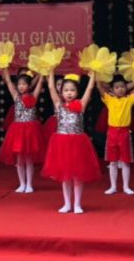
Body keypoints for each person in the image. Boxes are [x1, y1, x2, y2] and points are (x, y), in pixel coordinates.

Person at [42, 71, 101, 214]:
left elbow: (89, 89)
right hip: (62, 143)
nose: (69, 93)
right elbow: (51, 87)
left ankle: (77, 204)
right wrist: (51, 71)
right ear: (61, 92)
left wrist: (93, 74)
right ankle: (67, 204)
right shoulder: (58, 105)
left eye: (72, 90)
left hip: (78, 143)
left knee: (77, 176)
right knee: (65, 177)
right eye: (66, 90)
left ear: (77, 92)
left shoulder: (81, 104)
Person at [0, 69, 45, 193]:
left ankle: (29, 184)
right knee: (19, 159)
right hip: (18, 131)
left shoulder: (33, 96)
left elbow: (40, 83)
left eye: (24, 84)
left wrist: (43, 72)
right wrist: (5, 68)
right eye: (19, 84)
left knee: (29, 159)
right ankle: (22, 183)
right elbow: (8, 82)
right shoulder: (16, 96)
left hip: (30, 130)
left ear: (29, 85)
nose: (21, 86)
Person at [97, 75, 134, 195]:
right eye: (117, 87)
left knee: (125, 161)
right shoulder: (109, 99)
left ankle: (126, 186)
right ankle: (113, 186)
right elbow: (99, 87)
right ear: (112, 89)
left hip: (124, 133)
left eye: (122, 87)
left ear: (126, 88)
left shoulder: (129, 100)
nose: (120, 89)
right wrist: (98, 74)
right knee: (113, 161)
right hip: (112, 133)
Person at [41, 77, 64, 141]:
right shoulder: (55, 96)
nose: (60, 87)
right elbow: (51, 87)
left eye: (62, 84)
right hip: (55, 121)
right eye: (58, 84)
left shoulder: (70, 95)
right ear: (55, 86)